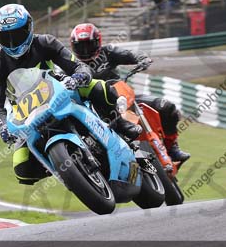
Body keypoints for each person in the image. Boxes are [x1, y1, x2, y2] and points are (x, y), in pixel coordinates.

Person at [0, 4, 140, 185]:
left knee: (98, 87)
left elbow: (77, 66)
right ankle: (63, 165)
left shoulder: (45, 42)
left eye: (17, 35)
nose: (13, 42)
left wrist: (79, 76)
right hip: (28, 112)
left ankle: (120, 123)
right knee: (22, 169)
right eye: (6, 37)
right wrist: (3, 126)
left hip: (59, 88)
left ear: (29, 27)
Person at [69, 23, 191, 164]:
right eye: (80, 46)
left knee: (167, 107)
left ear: (98, 42)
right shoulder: (71, 64)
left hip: (124, 98)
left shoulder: (107, 52)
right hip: (98, 111)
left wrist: (141, 58)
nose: (85, 51)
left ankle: (171, 148)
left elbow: (129, 54)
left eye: (89, 45)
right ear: (73, 47)